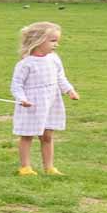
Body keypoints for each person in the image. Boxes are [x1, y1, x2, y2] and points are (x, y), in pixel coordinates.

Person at [11, 20, 78, 175]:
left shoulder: (54, 58)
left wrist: (69, 90)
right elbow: (16, 85)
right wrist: (22, 99)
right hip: (32, 105)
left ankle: (49, 167)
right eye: (53, 41)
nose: (56, 44)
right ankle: (25, 167)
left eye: (57, 41)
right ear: (38, 41)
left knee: (47, 136)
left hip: (51, 102)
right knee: (27, 135)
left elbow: (60, 77)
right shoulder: (26, 64)